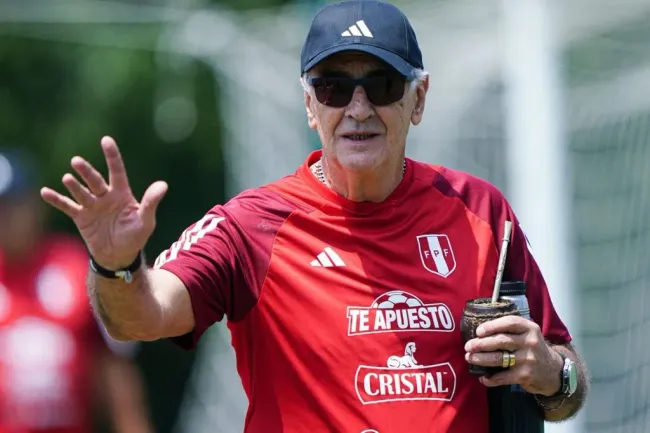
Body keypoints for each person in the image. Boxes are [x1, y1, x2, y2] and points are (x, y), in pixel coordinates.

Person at [40, 1, 590, 431]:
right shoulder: (250, 226)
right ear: (309, 105)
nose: (357, 108)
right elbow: (139, 316)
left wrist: (549, 371)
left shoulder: (482, 213)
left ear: (418, 100)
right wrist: (115, 264)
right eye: (332, 87)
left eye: (381, 84)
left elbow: (568, 384)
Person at [0, 148, 153, 433]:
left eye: (12, 205)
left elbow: (114, 367)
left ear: (34, 205)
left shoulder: (75, 267)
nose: (4, 218)